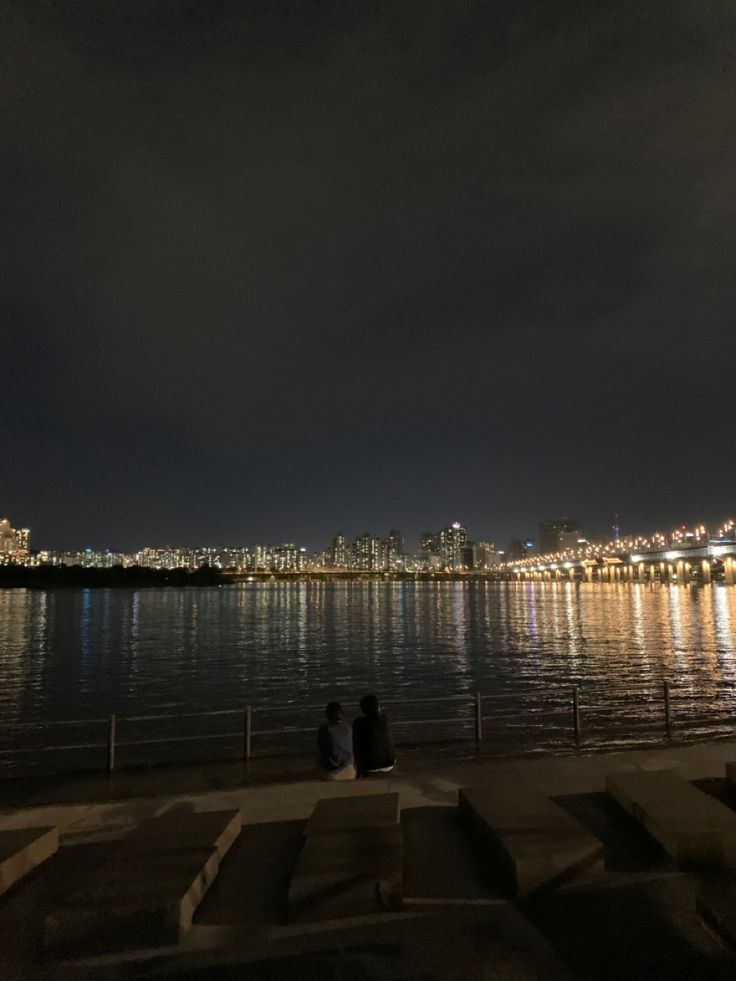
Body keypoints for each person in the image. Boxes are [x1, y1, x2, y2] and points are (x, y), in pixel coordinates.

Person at [353, 693, 396, 776]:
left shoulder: (359, 723)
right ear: (378, 707)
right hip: (389, 763)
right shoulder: (384, 720)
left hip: (369, 766)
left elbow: (356, 745)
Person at [317, 702, 357, 780]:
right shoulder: (348, 728)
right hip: (350, 770)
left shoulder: (325, 729)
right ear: (341, 714)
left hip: (334, 773)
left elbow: (320, 745)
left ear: (327, 715)